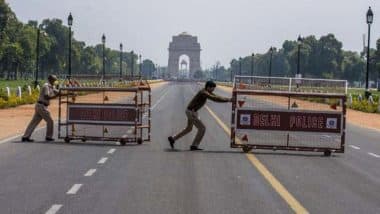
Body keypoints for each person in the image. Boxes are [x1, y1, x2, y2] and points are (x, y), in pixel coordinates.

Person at [168, 80, 232, 151]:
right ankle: (194, 145)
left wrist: (228, 99)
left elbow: (216, 96)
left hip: (191, 111)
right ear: (208, 87)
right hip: (191, 112)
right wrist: (228, 100)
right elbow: (215, 98)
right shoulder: (203, 92)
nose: (213, 90)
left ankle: (173, 138)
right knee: (202, 128)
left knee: (189, 129)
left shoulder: (206, 92)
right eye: (212, 88)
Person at [22, 75, 61, 142]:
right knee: (50, 121)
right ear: (51, 80)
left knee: (34, 122)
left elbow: (58, 92)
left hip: (40, 106)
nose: (55, 82)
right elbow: (46, 96)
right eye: (55, 80)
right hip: (42, 106)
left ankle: (25, 136)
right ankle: (48, 137)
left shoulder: (51, 86)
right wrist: (55, 96)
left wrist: (69, 93)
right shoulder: (46, 86)